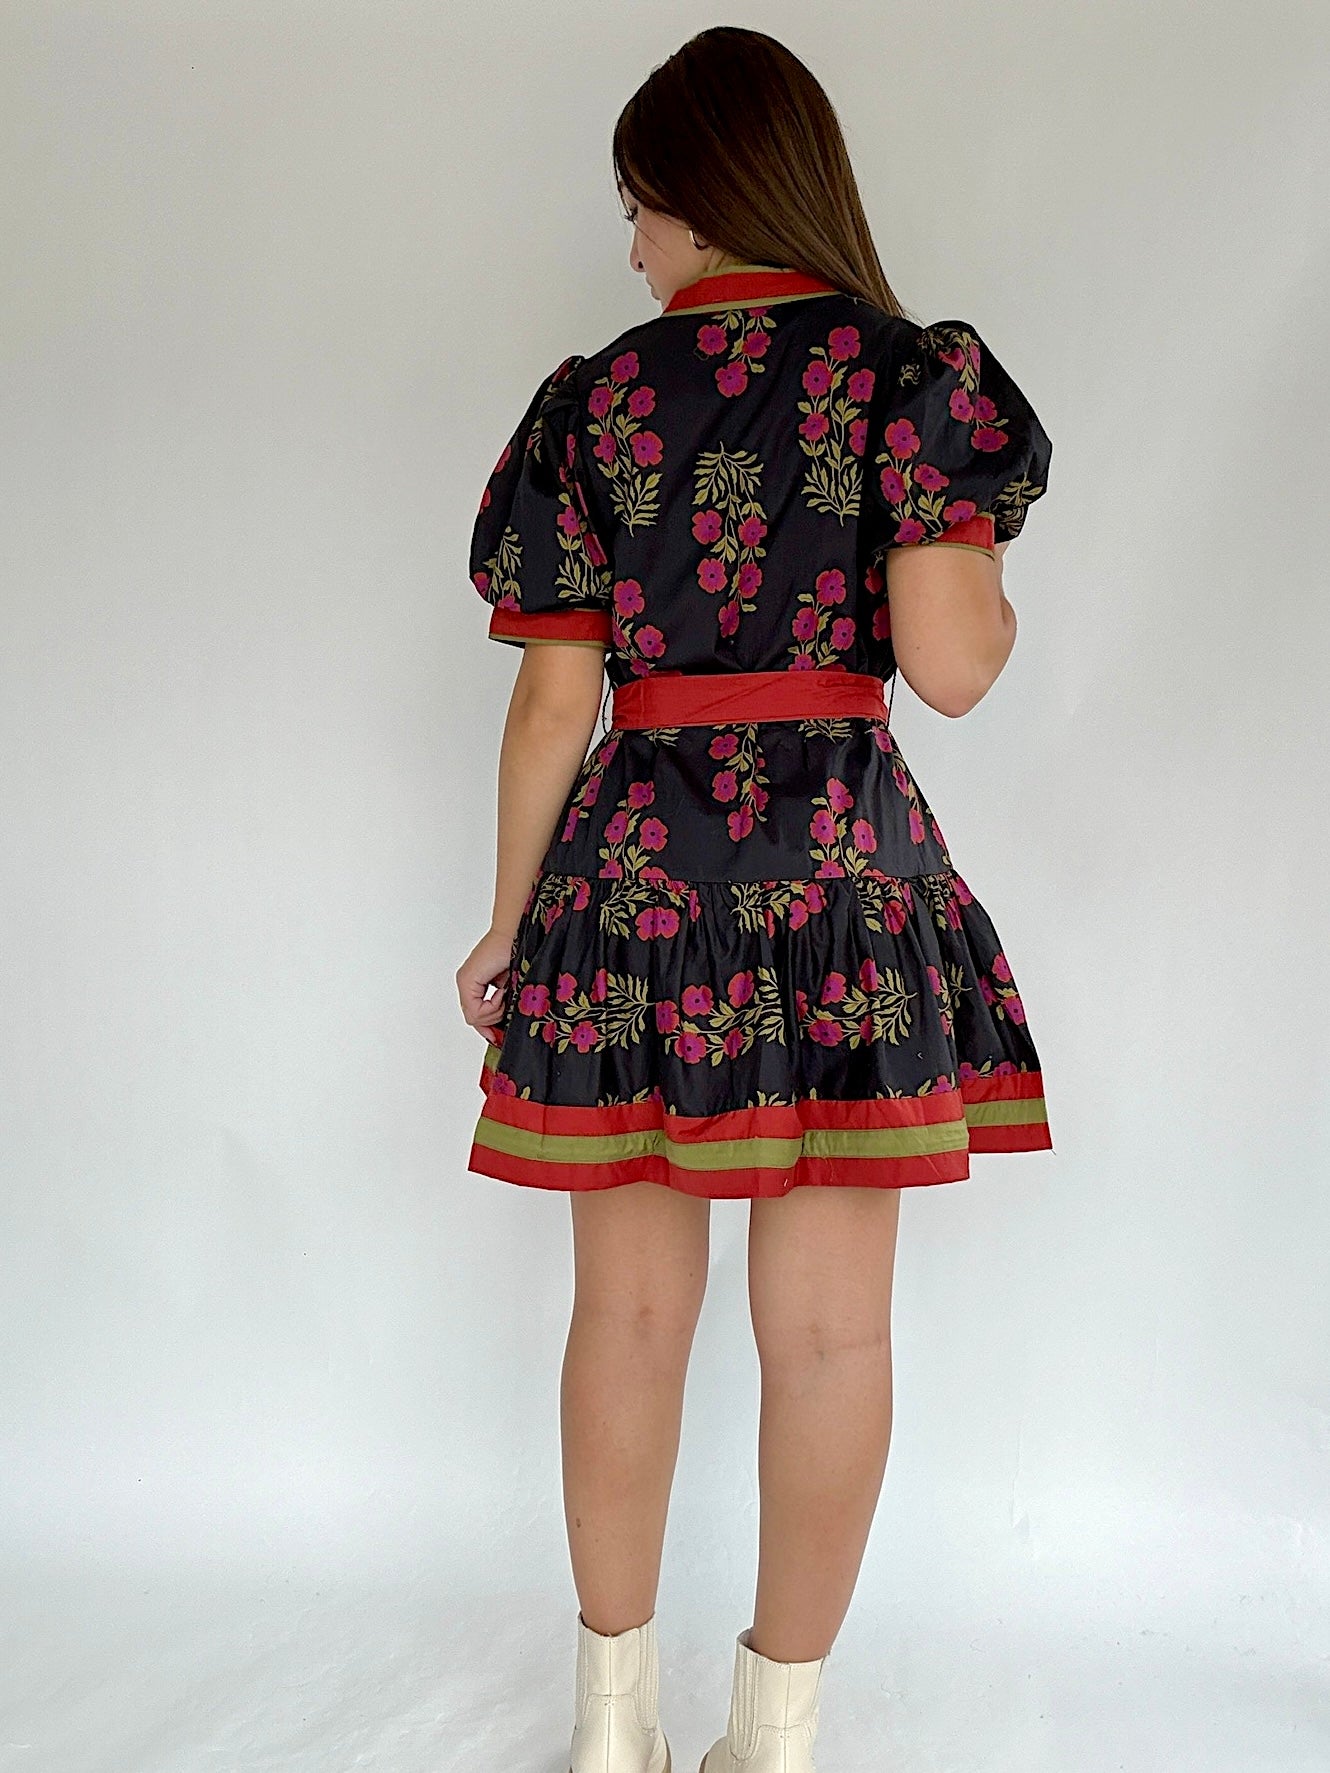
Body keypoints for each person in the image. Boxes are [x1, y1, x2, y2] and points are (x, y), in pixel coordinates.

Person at [455, 25, 1054, 1773]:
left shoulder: (594, 400)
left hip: (634, 883)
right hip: (838, 886)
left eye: (637, 209)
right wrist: (974, 572)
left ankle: (607, 1728)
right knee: (831, 1329)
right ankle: (773, 1741)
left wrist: (507, 923)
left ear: (694, 198)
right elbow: (950, 668)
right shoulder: (913, 380)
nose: (631, 247)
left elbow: (552, 699)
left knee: (626, 1314)